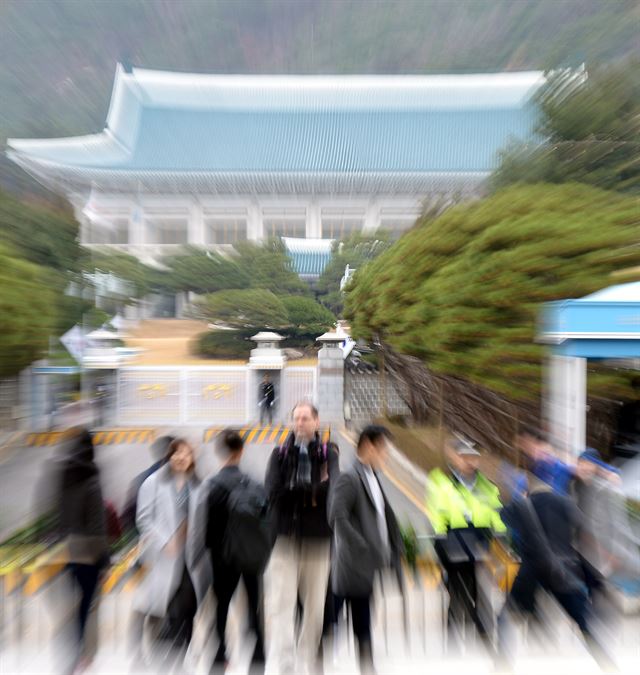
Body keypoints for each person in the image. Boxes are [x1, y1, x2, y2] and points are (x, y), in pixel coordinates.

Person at [498, 471, 613, 669]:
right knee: (583, 621)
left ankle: (503, 667)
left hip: (531, 571)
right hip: (563, 570)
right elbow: (584, 529)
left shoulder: (522, 504)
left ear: (528, 490)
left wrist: (520, 502)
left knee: (506, 616)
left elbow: (504, 517)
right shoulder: (566, 503)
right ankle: (608, 666)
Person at [264, 401, 340, 675]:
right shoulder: (279, 454)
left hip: (319, 540)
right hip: (285, 538)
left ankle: (306, 659)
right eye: (296, 419)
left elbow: (335, 486)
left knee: (316, 606)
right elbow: (273, 492)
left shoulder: (328, 453)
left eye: (306, 418)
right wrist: (311, 493)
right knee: (281, 604)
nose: (300, 424)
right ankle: (285, 663)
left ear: (317, 422)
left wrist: (297, 490)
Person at [329, 425, 403, 674]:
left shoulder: (372, 478)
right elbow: (337, 516)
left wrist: (392, 550)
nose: (386, 456)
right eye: (384, 450)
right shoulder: (351, 478)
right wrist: (360, 546)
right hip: (350, 567)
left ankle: (366, 668)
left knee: (362, 624)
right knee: (334, 623)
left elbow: (382, 519)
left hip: (364, 567)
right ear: (369, 446)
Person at [133, 438, 212, 668]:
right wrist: (164, 541)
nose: (181, 457)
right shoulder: (153, 483)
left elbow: (204, 522)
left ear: (192, 458)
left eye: (187, 454)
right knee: (167, 609)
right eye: (177, 453)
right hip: (165, 558)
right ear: (170, 456)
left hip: (192, 559)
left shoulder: (198, 485)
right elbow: (143, 519)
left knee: (188, 608)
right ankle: (164, 658)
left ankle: (181, 657)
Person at [425, 435, 506, 639]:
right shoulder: (442, 481)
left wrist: (501, 532)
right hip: (453, 538)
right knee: (456, 585)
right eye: (465, 457)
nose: (470, 461)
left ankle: (481, 629)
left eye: (474, 457)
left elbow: (495, 511)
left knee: (477, 585)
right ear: (456, 458)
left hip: (478, 539)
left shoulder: (486, 485)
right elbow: (437, 511)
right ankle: (454, 629)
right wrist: (440, 535)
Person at [203, 429, 266, 673]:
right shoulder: (254, 484)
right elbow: (265, 520)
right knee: (254, 606)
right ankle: (259, 655)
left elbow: (207, 528)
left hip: (222, 558)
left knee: (221, 606)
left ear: (220, 452)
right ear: (241, 451)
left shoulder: (213, 486)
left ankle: (221, 656)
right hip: (251, 556)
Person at [55, 427, 109, 674]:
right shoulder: (91, 477)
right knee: (88, 606)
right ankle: (82, 658)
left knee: (75, 605)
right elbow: (98, 523)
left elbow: (59, 515)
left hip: (70, 549)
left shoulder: (65, 475)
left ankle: (72, 654)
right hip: (90, 553)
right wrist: (105, 561)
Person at [124, 434, 176, 663]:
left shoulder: (140, 480)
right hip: (162, 551)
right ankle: (150, 651)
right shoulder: (169, 480)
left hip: (145, 549)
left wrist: (136, 541)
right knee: (156, 603)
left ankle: (137, 653)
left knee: (143, 602)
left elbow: (128, 516)